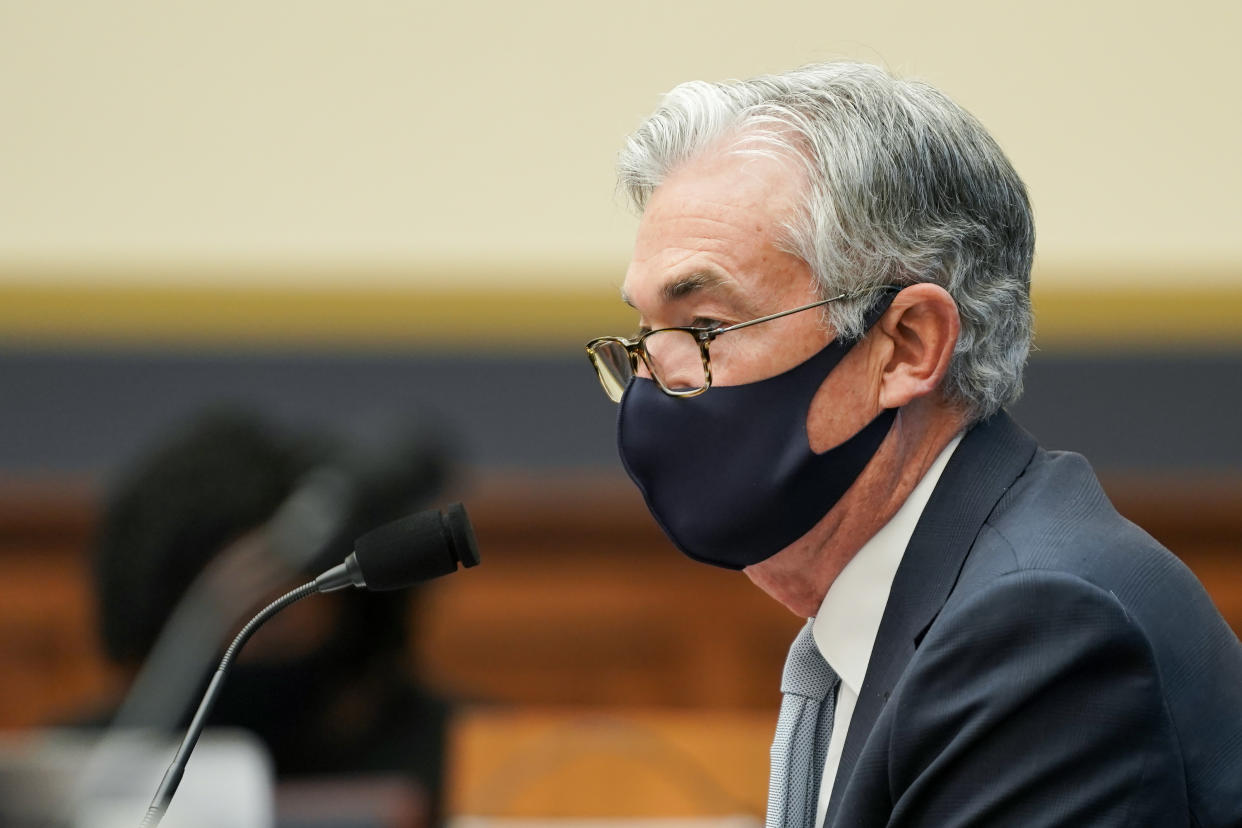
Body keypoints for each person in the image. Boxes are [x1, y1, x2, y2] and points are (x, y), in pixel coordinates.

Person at [585, 62, 1242, 827]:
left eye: (702, 330)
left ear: (906, 345)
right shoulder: (925, 602)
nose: (651, 380)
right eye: (643, 334)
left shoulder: (1039, 628)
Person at [89, 408, 452, 824]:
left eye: (280, 600)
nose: (257, 611)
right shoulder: (87, 771)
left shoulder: (460, 758)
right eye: (227, 600)